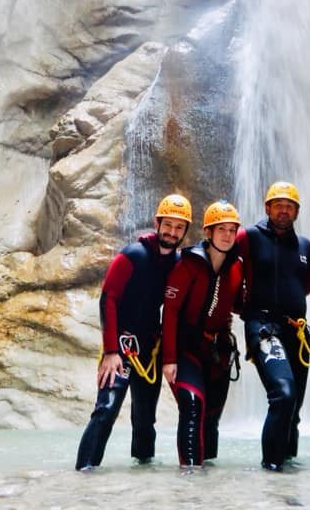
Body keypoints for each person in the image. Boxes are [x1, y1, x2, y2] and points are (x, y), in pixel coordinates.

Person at [75, 194, 192, 471]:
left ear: (185, 231)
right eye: (168, 225)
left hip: (149, 349)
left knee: (145, 418)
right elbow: (109, 299)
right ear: (157, 223)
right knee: (106, 409)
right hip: (122, 348)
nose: (172, 232)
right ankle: (84, 473)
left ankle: (143, 471)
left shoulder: (176, 264)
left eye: (179, 227)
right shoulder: (132, 255)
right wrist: (111, 351)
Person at [236, 181, 310, 471]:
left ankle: (289, 472)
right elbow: (219, 261)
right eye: (278, 205)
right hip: (263, 325)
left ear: (296, 211)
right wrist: (238, 307)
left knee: (293, 408)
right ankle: (272, 470)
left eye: (289, 206)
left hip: (297, 330)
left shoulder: (306, 247)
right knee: (283, 394)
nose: (283, 210)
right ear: (267, 207)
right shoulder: (247, 237)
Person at [161, 200, 245, 469]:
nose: (228, 235)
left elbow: (240, 303)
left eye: (232, 230)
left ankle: (209, 483)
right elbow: (170, 311)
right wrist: (169, 359)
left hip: (217, 351)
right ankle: (190, 478)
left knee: (211, 417)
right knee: (192, 405)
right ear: (208, 232)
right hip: (187, 350)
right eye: (221, 229)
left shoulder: (236, 266)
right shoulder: (188, 265)